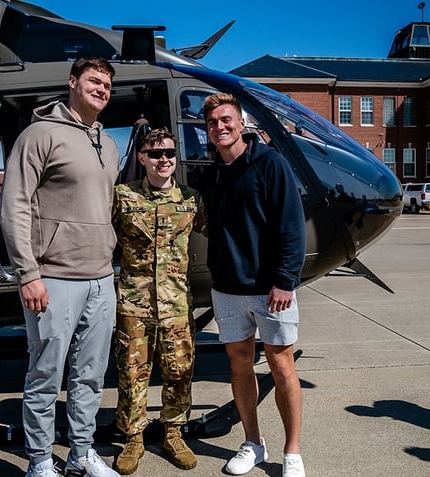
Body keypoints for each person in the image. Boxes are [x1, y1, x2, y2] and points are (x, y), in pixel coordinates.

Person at [0, 56, 121, 477]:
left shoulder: (107, 143)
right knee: (46, 374)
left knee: (90, 376)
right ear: (72, 82)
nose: (101, 89)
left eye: (107, 84)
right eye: (94, 80)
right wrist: (28, 274)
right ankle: (38, 461)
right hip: (53, 277)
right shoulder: (39, 135)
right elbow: (14, 204)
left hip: (102, 278)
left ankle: (82, 454)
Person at [199, 93, 307, 477]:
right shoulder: (211, 174)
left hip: (270, 290)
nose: (220, 127)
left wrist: (284, 281)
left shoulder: (270, 164)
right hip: (227, 289)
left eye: (226, 120)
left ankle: (292, 452)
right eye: (212, 123)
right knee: (240, 365)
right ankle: (253, 443)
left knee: (282, 366)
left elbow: (292, 228)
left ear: (241, 123)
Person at [111, 128, 206, 474]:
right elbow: (98, 234)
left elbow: (222, 232)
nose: (163, 159)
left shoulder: (192, 199)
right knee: (132, 373)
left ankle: (173, 432)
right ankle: (133, 437)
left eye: (169, 152)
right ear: (141, 158)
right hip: (134, 305)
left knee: (179, 370)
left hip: (177, 304)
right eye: (155, 154)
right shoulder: (123, 197)